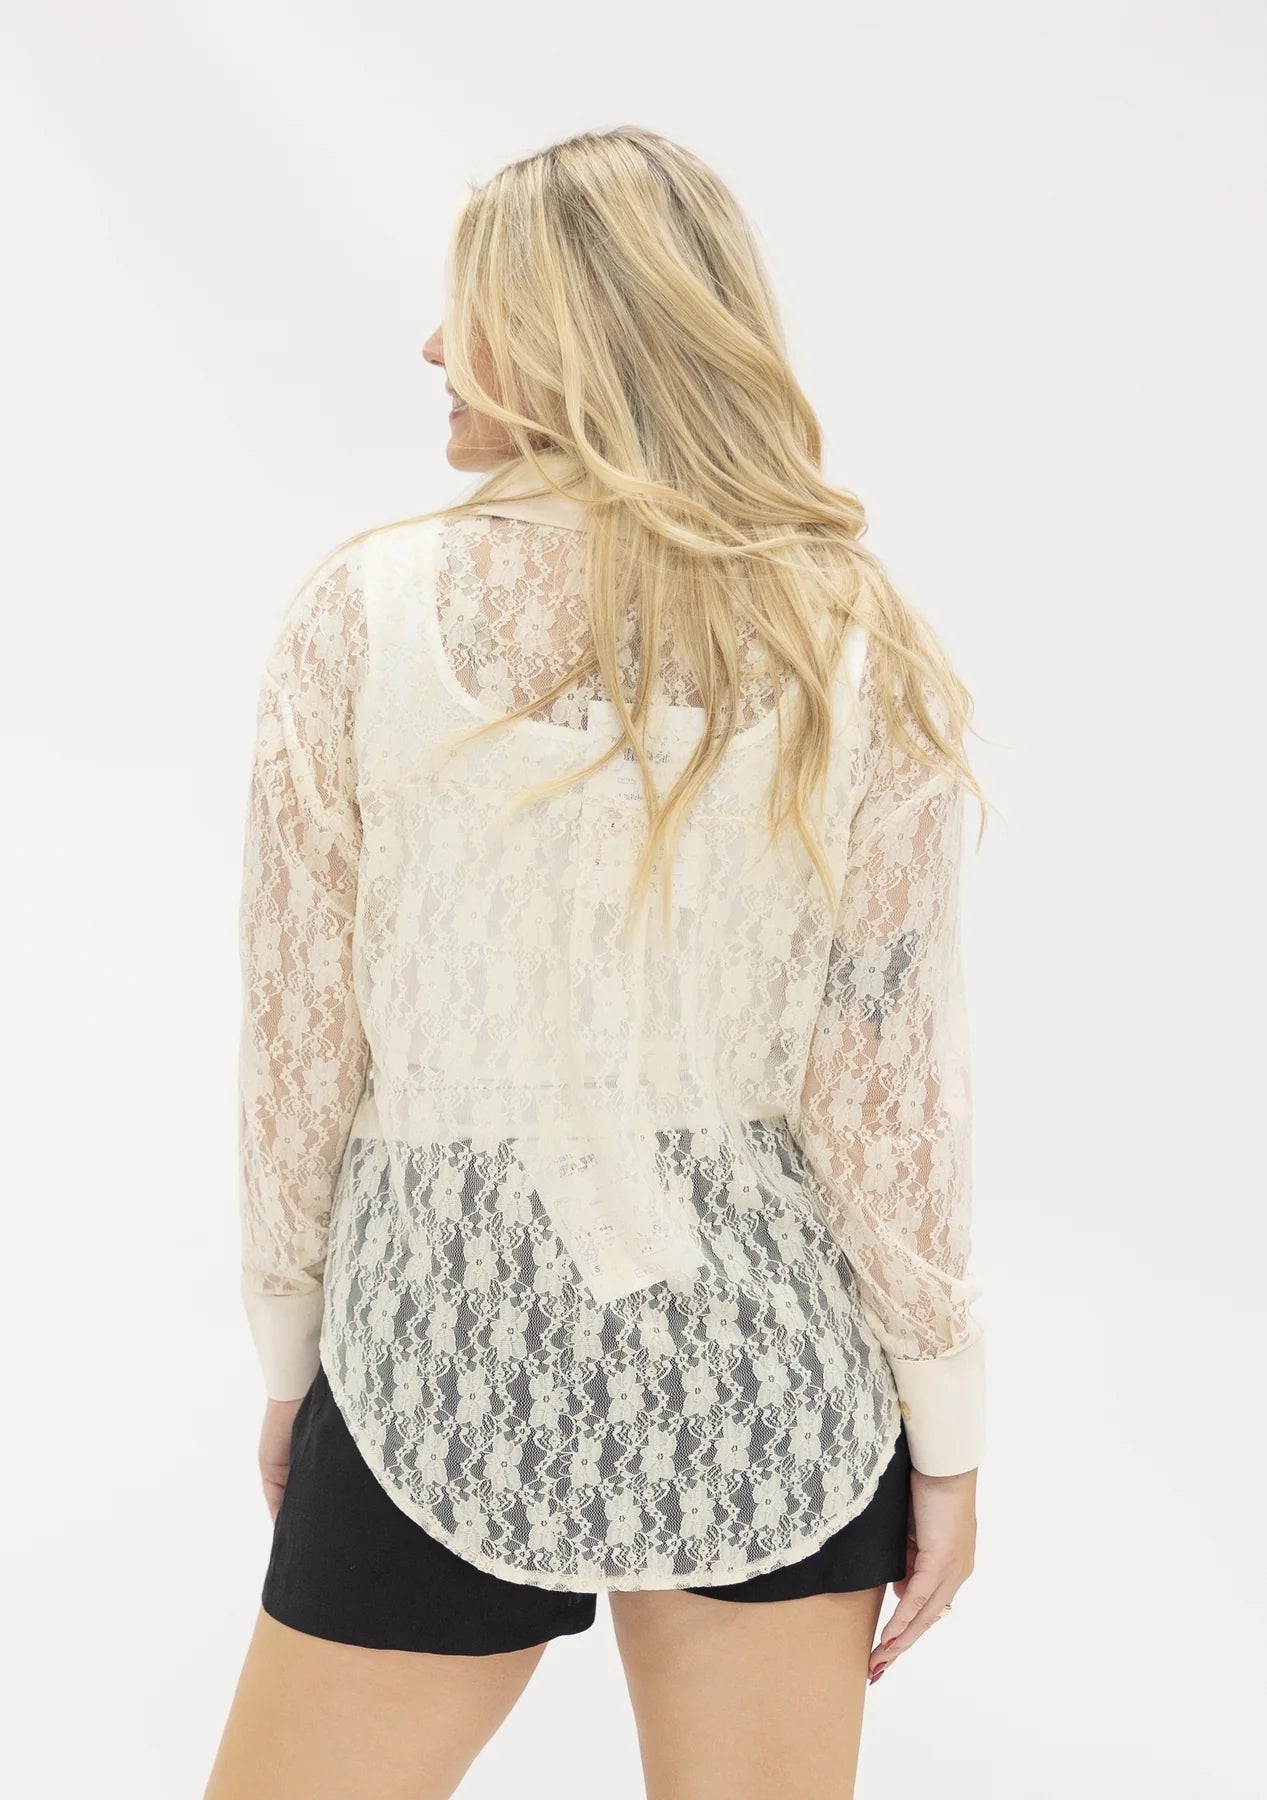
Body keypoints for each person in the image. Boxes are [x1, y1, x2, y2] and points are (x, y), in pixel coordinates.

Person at [204, 124, 991, 1800]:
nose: (431, 343)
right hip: (772, 1357)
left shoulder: (365, 612)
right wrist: (947, 1427)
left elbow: (296, 1042)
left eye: (474, 308)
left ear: (577, 330)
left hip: (440, 1335)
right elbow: (885, 1085)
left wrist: (291, 1355)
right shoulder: (848, 628)